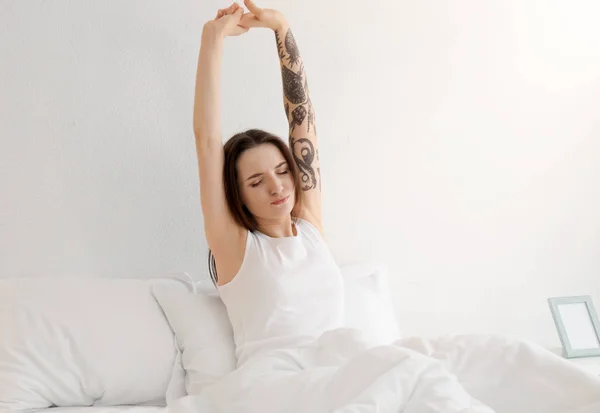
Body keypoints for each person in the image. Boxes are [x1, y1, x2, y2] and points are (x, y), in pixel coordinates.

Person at [194, 0, 345, 367]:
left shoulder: (309, 227)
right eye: (256, 182)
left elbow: (302, 119)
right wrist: (212, 40)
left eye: (282, 171)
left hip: (338, 371)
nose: (278, 187)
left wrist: (282, 30)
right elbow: (207, 139)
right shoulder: (235, 248)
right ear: (238, 195)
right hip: (276, 386)